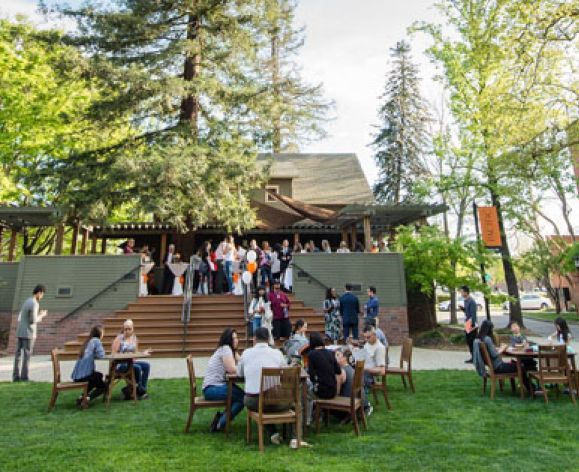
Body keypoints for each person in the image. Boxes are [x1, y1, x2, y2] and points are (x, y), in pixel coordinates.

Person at [237, 327, 305, 448]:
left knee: (262, 399)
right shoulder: (277, 354)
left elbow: (239, 374)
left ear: (254, 339)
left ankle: (273, 433)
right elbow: (284, 372)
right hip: (275, 402)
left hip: (253, 401)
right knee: (296, 403)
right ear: (268, 339)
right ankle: (295, 438)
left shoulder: (246, 353)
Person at [202, 328, 244, 432]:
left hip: (214, 387)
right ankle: (221, 422)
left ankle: (221, 419)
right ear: (227, 340)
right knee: (244, 398)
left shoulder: (230, 350)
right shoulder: (226, 349)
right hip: (212, 389)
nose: (236, 340)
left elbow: (243, 361)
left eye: (236, 338)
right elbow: (232, 370)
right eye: (233, 338)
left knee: (242, 397)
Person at [473, 320, 532, 393]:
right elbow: (494, 355)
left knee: (517, 365)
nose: (492, 330)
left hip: (495, 366)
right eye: (492, 328)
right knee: (521, 367)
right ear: (488, 329)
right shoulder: (487, 339)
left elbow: (491, 352)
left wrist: (499, 348)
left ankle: (525, 389)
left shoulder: (480, 339)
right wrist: (502, 349)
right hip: (499, 367)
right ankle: (532, 389)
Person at [306, 332, 343, 424]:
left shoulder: (311, 354)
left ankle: (307, 420)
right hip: (333, 391)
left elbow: (311, 376)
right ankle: (318, 416)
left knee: (305, 394)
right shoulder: (331, 353)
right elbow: (338, 371)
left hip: (322, 392)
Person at [13, 284, 47, 382]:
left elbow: (22, 317)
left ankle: (15, 377)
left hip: (20, 331)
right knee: (27, 356)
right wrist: (42, 315)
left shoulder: (26, 301)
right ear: (39, 292)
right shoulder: (35, 303)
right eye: (42, 295)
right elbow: (33, 320)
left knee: (17, 355)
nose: (41, 297)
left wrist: (38, 315)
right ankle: (24, 378)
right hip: (28, 333)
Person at [111, 319, 152, 400]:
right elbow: (113, 355)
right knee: (137, 367)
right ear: (123, 329)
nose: (127, 331)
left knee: (146, 365)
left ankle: (140, 390)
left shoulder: (134, 338)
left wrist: (143, 353)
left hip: (131, 362)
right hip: (120, 365)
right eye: (125, 329)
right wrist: (123, 355)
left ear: (133, 329)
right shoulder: (119, 339)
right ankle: (141, 392)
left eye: (129, 329)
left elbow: (135, 354)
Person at [71, 325, 106, 403]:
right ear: (100, 334)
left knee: (98, 376)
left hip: (77, 376)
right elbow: (102, 355)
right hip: (84, 376)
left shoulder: (87, 341)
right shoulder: (96, 340)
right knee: (103, 385)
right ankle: (87, 399)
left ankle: (82, 397)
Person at [361, 325, 387, 416]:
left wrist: (366, 369)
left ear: (374, 335)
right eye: (365, 337)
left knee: (355, 382)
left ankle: (366, 406)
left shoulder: (379, 348)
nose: (366, 339)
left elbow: (382, 371)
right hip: (364, 371)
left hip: (371, 377)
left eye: (368, 337)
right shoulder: (367, 344)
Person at [460, 285, 478, 364]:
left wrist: (472, 326)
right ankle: (473, 358)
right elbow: (468, 312)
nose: (461, 293)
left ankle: (475, 358)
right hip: (467, 324)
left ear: (466, 292)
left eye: (462, 292)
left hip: (471, 325)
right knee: (469, 342)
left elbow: (473, 315)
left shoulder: (472, 301)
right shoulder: (465, 301)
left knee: (472, 341)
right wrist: (463, 309)